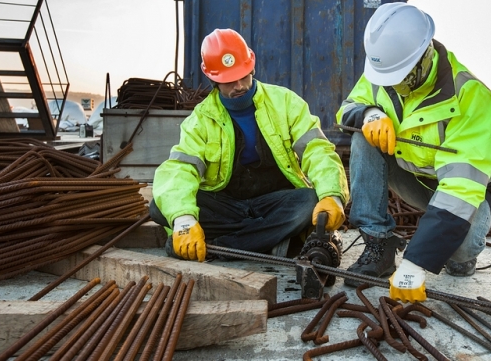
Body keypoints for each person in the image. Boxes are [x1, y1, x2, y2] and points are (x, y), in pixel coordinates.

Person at [336, 3, 491, 302]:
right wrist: (369, 113)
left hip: (463, 192)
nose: (391, 86)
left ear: (424, 56)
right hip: (409, 174)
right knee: (362, 139)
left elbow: (458, 192)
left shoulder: (472, 99)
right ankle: (378, 245)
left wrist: (415, 263)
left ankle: (463, 254)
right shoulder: (385, 72)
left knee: (459, 252)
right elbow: (347, 110)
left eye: (399, 79)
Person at [150, 28, 349, 262]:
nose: (239, 86)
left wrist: (331, 195)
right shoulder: (200, 120)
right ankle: (271, 242)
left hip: (275, 202)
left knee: (309, 201)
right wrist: (184, 220)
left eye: (243, 75)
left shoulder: (285, 102)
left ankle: (219, 247)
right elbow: (180, 170)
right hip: (228, 206)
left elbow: (317, 150)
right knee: (158, 208)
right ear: (212, 79)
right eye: (228, 81)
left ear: (252, 67)